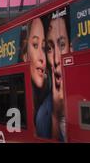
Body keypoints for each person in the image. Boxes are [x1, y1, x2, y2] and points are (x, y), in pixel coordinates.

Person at [20, 18, 52, 138]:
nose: (42, 57)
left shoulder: (47, 106)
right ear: (25, 56)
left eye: (44, 48)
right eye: (35, 45)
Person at [45, 11, 71, 142]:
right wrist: (56, 114)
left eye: (62, 45)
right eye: (49, 49)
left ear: (71, 48)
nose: (56, 59)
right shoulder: (42, 115)